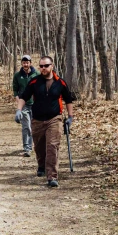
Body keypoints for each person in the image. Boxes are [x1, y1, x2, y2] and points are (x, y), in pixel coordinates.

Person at [15, 56, 75, 188]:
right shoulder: (34, 82)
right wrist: (19, 110)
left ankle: (52, 176)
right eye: (41, 66)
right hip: (37, 120)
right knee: (39, 146)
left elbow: (69, 99)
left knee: (52, 146)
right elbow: (23, 97)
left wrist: (70, 117)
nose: (43, 68)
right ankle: (41, 165)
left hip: (55, 119)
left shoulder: (60, 82)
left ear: (52, 66)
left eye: (46, 66)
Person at [12, 55, 39, 157]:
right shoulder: (17, 76)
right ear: (22, 64)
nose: (25, 64)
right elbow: (15, 89)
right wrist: (18, 101)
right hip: (23, 104)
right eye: (24, 62)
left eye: (27, 62)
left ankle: (32, 146)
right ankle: (26, 147)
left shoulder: (36, 74)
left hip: (35, 104)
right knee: (26, 126)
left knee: (33, 126)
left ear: (30, 63)